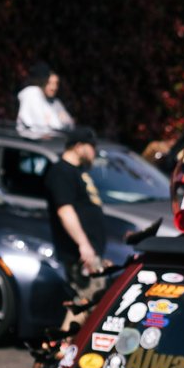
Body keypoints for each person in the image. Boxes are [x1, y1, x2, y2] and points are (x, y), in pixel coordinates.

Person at [42, 126, 114, 319]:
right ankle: (64, 349)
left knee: (87, 305)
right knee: (83, 304)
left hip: (91, 251)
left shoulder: (77, 172)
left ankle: (67, 347)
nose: (94, 152)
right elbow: (65, 211)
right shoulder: (61, 172)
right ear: (79, 146)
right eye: (91, 147)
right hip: (80, 254)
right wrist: (84, 245)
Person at [16, 62, 74, 138]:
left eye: (56, 84)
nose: (54, 88)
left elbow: (70, 124)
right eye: (49, 83)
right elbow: (40, 125)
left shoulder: (55, 103)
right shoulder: (32, 93)